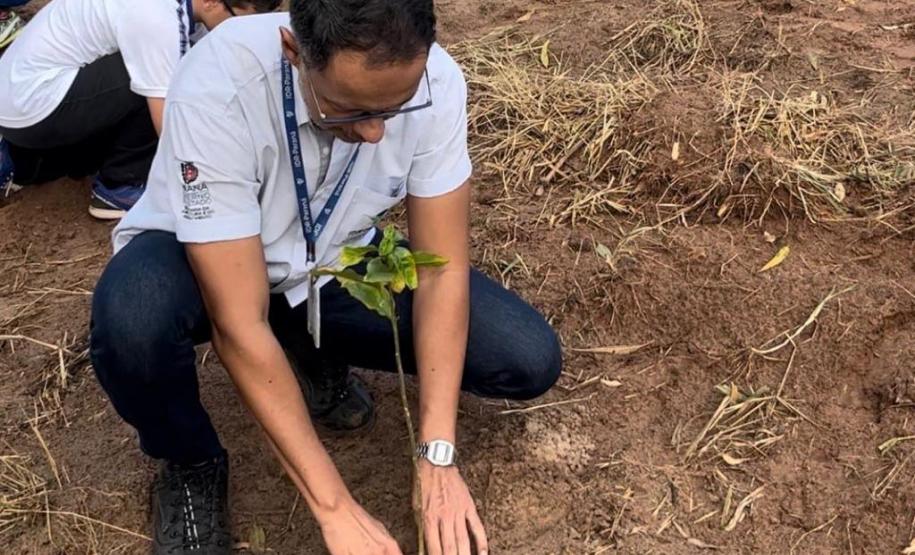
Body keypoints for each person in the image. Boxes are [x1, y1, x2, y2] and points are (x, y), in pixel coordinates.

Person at [89, 1, 563, 553]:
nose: (373, 134)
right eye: (347, 110)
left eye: (395, 109)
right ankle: (190, 460)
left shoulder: (438, 82)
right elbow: (237, 322)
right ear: (295, 52)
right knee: (134, 315)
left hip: (331, 258)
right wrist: (335, 508)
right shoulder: (220, 84)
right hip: (203, 261)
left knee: (524, 354)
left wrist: (437, 454)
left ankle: (308, 343)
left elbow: (442, 272)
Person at [0, 0, 281, 218]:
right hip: (33, 103)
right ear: (212, 2)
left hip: (20, 99)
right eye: (239, 24)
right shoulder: (156, 19)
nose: (241, 35)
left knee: (159, 70)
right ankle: (120, 186)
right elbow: (171, 127)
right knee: (159, 82)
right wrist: (226, 175)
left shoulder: (183, 9)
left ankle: (22, 160)